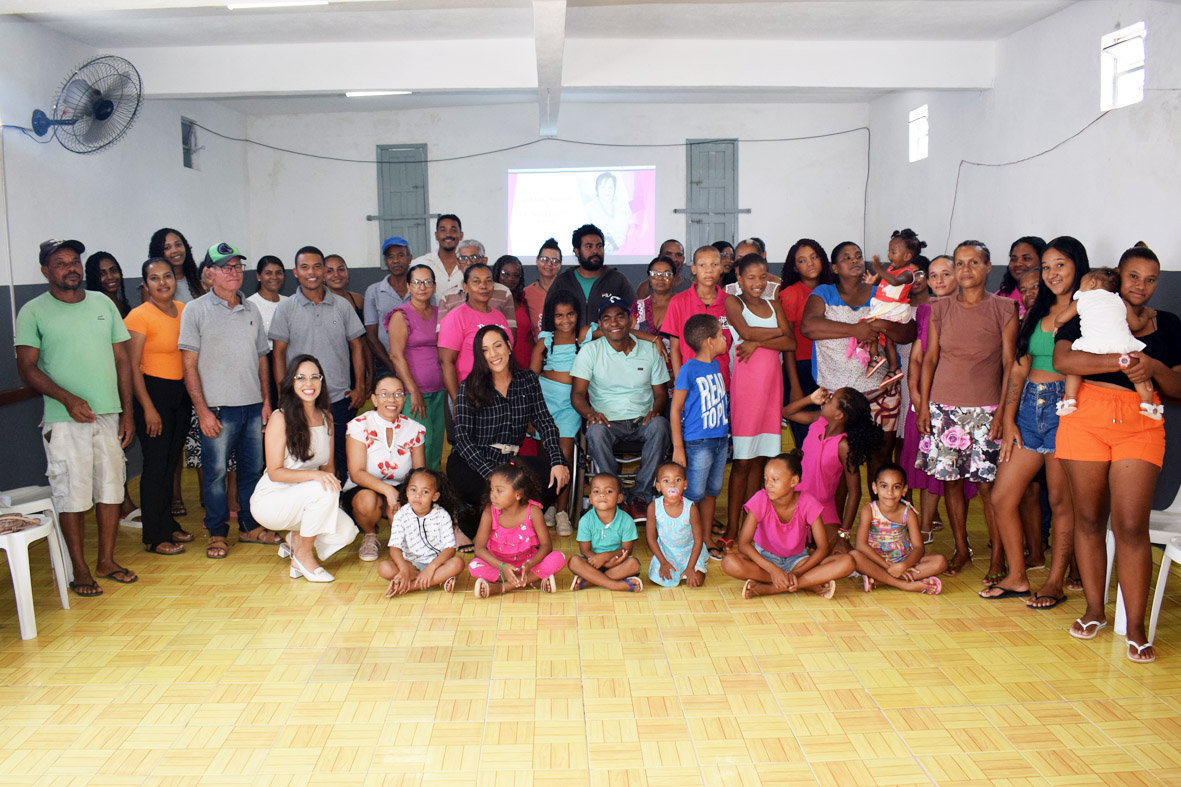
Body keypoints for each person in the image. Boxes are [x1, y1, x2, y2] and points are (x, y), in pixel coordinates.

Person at [1054, 243, 1180, 664]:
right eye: (1133, 276)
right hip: (1085, 414)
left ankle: (1137, 625)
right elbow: (1063, 359)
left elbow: (1177, 388)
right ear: (1117, 275)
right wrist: (1124, 359)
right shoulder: (1093, 306)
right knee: (1089, 518)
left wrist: (1155, 371)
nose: (1141, 286)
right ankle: (1094, 609)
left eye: (1150, 279)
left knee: (1130, 525)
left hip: (1140, 423)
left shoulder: (1170, 325)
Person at [16, 238, 137, 596]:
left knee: (111, 489)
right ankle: (80, 569)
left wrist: (127, 411)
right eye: (60, 262)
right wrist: (67, 399)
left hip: (108, 415)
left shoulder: (103, 304)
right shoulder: (33, 311)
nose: (71, 267)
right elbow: (26, 367)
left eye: (74, 261)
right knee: (73, 494)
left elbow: (122, 362)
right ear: (45, 271)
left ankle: (107, 560)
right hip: (64, 418)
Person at [981, 237, 1087, 605]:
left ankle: (1055, 581)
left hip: (1066, 413)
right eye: (1047, 267)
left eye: (1060, 265)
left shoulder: (1088, 310)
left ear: (1078, 266)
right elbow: (1018, 370)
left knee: (1061, 503)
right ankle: (1017, 576)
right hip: (1027, 412)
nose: (1052, 273)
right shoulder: (1034, 313)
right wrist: (1008, 419)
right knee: (1002, 496)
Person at [916, 240, 1018, 577]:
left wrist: (1003, 412)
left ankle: (997, 556)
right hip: (945, 409)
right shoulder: (940, 309)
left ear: (989, 267)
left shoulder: (1004, 309)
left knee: (990, 487)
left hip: (987, 410)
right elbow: (930, 359)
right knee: (951, 483)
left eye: (974, 263)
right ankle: (962, 549)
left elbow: (1008, 364)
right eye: (960, 263)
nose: (966, 270)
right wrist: (924, 406)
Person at [179, 241, 280, 559]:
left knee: (253, 470)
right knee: (216, 475)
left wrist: (266, 401)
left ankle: (250, 526)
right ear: (208, 273)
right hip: (217, 409)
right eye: (226, 267)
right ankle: (217, 533)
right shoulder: (195, 310)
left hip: (252, 406)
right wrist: (202, 411)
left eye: (237, 266)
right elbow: (188, 365)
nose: (234, 272)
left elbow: (262, 358)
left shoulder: (250, 308)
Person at [801, 241, 915, 482]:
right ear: (834, 268)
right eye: (846, 257)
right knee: (837, 463)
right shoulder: (824, 293)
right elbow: (809, 326)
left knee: (881, 459)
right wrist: (855, 330)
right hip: (838, 400)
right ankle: (836, 520)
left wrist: (883, 325)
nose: (855, 260)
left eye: (858, 256)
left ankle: (878, 517)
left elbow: (909, 333)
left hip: (881, 394)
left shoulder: (880, 291)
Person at [449, 325, 570, 536]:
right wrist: (492, 474)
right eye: (485, 350)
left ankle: (509, 519)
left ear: (509, 347)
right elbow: (462, 439)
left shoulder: (527, 381)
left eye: (497, 346)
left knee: (556, 470)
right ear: (480, 356)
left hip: (509, 462)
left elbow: (545, 421)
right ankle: (470, 517)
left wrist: (558, 459)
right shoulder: (469, 386)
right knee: (491, 505)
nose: (493, 354)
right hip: (472, 464)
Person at [251, 355, 359, 582]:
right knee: (323, 488)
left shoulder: (326, 418)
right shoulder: (280, 418)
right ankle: (302, 555)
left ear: (322, 381)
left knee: (347, 532)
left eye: (314, 377)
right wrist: (315, 476)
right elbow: (274, 471)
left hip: (309, 495)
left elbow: (329, 468)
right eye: (300, 378)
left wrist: (327, 490)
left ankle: (295, 540)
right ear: (291, 382)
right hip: (273, 499)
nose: (308, 384)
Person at [898, 256, 979, 542]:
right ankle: (924, 528)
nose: (939, 281)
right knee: (925, 464)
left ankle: (960, 535)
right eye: (933, 276)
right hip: (926, 400)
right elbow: (918, 357)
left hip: (961, 399)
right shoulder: (925, 311)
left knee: (959, 467)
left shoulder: (975, 310)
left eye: (946, 273)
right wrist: (916, 393)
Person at [269, 246, 367, 482]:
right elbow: (278, 354)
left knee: (343, 457)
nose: (311, 272)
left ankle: (345, 508)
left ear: (323, 271)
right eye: (304, 267)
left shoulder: (342, 305)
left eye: (316, 266)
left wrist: (360, 387)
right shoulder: (285, 308)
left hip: (339, 398)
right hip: (301, 401)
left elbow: (357, 347)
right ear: (295, 272)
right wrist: (284, 393)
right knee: (305, 457)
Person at [570, 296, 670, 520]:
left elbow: (661, 393)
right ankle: (619, 495)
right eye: (607, 319)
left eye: (619, 317)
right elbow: (576, 395)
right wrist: (590, 414)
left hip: (642, 420)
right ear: (600, 324)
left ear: (631, 320)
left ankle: (640, 498)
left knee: (660, 426)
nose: (613, 323)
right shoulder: (590, 351)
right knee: (594, 430)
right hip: (607, 422)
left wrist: (657, 409)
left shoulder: (649, 350)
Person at [724, 255, 795, 548]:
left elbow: (791, 343)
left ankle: (749, 527)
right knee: (742, 460)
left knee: (762, 461)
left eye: (763, 277)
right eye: (750, 277)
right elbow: (747, 332)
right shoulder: (733, 303)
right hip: (747, 389)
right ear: (738, 279)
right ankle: (731, 528)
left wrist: (759, 341)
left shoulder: (774, 305)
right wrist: (774, 333)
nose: (757, 283)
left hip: (771, 389)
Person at [124, 257, 194, 554]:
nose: (163, 282)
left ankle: (168, 524)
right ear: (145, 284)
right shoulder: (138, 317)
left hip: (181, 393)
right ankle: (155, 536)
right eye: (155, 278)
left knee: (170, 464)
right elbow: (132, 367)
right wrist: (148, 407)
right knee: (155, 466)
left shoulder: (184, 311)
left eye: (167, 276)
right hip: (152, 394)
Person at [720, 451, 853, 599]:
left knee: (847, 562)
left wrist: (796, 573)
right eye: (766, 479)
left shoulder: (808, 502)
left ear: (793, 481)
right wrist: (773, 570)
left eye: (775, 480)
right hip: (764, 559)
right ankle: (808, 583)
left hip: (798, 561)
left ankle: (770, 588)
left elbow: (822, 548)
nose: (768, 484)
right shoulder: (760, 499)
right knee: (729, 562)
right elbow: (744, 544)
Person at [783, 387, 884, 550]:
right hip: (796, 503)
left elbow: (855, 492)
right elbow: (787, 413)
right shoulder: (819, 422)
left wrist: (843, 533)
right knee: (786, 546)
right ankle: (806, 544)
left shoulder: (843, 446)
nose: (826, 399)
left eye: (831, 400)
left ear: (839, 415)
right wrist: (810, 399)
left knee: (843, 555)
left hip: (823, 510)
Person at [1054, 268, 1159, 419]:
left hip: (1091, 345)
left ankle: (1070, 400)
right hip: (1122, 345)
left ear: (1092, 283)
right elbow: (1136, 325)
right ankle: (1148, 404)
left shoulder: (1082, 299)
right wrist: (1146, 314)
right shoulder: (1120, 301)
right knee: (1139, 372)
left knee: (1074, 369)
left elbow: (1061, 318)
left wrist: (1057, 325)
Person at [342, 373, 426, 561]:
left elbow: (419, 474)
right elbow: (356, 473)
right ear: (374, 399)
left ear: (404, 399)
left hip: (400, 486)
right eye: (384, 394)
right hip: (362, 487)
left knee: (402, 510)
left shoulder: (415, 429)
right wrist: (388, 491)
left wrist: (410, 499)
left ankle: (402, 541)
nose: (392, 399)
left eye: (398, 394)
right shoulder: (359, 425)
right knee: (367, 502)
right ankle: (370, 534)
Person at [530, 292, 594, 535]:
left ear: (577, 315)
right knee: (544, 457)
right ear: (551, 318)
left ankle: (562, 510)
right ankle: (546, 506)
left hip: (571, 403)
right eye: (559, 316)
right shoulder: (546, 342)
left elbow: (615, 330)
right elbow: (530, 381)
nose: (565, 320)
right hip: (544, 402)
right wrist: (529, 415)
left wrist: (651, 340)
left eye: (570, 314)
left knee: (564, 453)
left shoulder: (584, 335)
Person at [670, 314, 730, 559]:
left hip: (720, 439)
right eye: (720, 334)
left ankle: (705, 537)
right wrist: (678, 447)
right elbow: (676, 408)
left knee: (711, 491)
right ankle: (687, 542)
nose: (725, 338)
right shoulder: (688, 369)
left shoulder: (715, 366)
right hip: (698, 442)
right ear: (708, 341)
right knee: (693, 494)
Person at [469, 464, 566, 597]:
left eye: (499, 491)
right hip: (500, 565)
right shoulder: (489, 513)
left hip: (528, 564)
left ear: (518, 494)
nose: (493, 495)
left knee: (559, 557)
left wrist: (530, 563)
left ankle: (503, 587)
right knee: (474, 566)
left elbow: (546, 546)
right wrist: (502, 566)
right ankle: (533, 580)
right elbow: (479, 549)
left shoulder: (533, 511)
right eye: (492, 489)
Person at [850, 463, 947, 593]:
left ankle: (880, 580)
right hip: (876, 560)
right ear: (875, 487)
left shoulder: (908, 513)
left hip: (902, 558)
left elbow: (918, 548)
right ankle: (904, 584)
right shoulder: (869, 510)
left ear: (904, 490)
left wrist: (904, 565)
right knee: (854, 556)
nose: (890, 492)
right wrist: (888, 566)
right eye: (884, 486)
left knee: (941, 562)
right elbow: (861, 545)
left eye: (896, 487)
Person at [385, 264, 444, 471]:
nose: (423, 287)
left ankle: (436, 493)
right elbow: (395, 356)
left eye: (428, 282)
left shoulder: (440, 313)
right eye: (417, 282)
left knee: (436, 445)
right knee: (421, 446)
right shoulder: (401, 315)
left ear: (435, 287)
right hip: (414, 392)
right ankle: (416, 494)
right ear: (409, 287)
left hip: (439, 391)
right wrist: (414, 391)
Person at [779, 239, 834, 448]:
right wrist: (794, 386)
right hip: (801, 370)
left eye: (814, 257)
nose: (810, 263)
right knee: (807, 442)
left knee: (830, 438)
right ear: (795, 267)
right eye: (802, 261)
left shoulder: (833, 291)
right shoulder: (790, 294)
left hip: (831, 369)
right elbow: (788, 345)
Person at [852, 229, 925, 385]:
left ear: (907, 256)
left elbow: (895, 282)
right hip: (886, 307)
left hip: (894, 309)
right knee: (889, 341)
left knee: (869, 325)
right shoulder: (891, 269)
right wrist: (875, 281)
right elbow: (887, 284)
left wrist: (878, 270)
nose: (890, 255)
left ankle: (875, 357)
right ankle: (893, 369)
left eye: (893, 252)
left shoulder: (908, 273)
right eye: (889, 251)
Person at [377, 468, 464, 596]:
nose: (418, 495)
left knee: (457, 563)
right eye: (413, 490)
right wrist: (403, 569)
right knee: (384, 568)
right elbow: (395, 547)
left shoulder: (442, 515)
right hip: (411, 565)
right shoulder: (401, 515)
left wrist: (431, 568)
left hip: (438, 564)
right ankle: (437, 580)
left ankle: (409, 586)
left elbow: (450, 549)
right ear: (407, 491)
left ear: (435, 496)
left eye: (425, 492)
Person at [438, 263, 512, 408]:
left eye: (488, 281)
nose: (483, 286)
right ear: (465, 287)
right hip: (471, 397)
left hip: (502, 395)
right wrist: (456, 401)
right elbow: (446, 362)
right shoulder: (456, 317)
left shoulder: (499, 316)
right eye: (476, 281)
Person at [666, 246, 733, 390]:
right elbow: (675, 347)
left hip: (721, 382)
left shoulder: (730, 303)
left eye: (714, 265)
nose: (708, 270)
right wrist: (680, 383)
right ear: (694, 269)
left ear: (721, 268)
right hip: (690, 383)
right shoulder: (678, 302)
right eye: (702, 265)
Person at [543, 224, 635, 326]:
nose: (595, 251)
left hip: (610, 342)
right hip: (571, 342)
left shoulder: (618, 280)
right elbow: (547, 322)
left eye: (599, 246)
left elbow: (635, 318)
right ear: (577, 251)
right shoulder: (562, 282)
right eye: (589, 246)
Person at [568, 473, 643, 593]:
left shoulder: (626, 520)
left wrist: (606, 558)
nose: (602, 494)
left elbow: (626, 550)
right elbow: (585, 550)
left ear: (619, 498)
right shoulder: (586, 520)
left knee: (633, 564)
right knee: (574, 562)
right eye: (596, 491)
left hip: (616, 562)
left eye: (609, 491)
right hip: (592, 562)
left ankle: (588, 582)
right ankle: (614, 585)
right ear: (591, 498)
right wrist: (597, 559)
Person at [646, 462, 708, 588]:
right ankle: (667, 566)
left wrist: (691, 567)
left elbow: (698, 540)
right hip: (666, 551)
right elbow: (651, 538)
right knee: (658, 579)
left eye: (677, 480)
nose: (672, 485)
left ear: (685, 484)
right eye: (666, 481)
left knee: (697, 581)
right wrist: (663, 562)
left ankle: (695, 567)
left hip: (690, 551)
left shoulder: (691, 508)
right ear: (658, 486)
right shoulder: (654, 507)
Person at [437, 240, 517, 328]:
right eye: (463, 258)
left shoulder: (503, 292)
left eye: (474, 257)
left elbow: (511, 331)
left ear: (484, 260)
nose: (469, 263)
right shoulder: (447, 296)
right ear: (458, 264)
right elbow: (441, 334)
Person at [363, 236, 412, 370]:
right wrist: (391, 365)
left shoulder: (420, 289)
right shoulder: (374, 291)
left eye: (400, 255)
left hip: (417, 362)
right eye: (390, 257)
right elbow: (371, 336)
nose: (395, 261)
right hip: (385, 363)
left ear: (410, 258)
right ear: (386, 261)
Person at [247, 255, 288, 406]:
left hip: (289, 362)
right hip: (265, 365)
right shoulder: (251, 304)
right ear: (258, 276)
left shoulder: (288, 302)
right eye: (268, 272)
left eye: (278, 272)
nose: (274, 277)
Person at [631, 256, 677, 382]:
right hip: (643, 376)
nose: (660, 278)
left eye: (666, 274)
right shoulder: (639, 306)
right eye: (655, 274)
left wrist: (676, 375)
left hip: (675, 376)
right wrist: (654, 339)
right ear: (649, 278)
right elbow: (625, 331)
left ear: (674, 278)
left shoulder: (682, 305)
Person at [493, 254, 534, 370]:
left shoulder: (522, 300)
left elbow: (529, 336)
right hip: (501, 364)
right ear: (497, 273)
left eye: (516, 275)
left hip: (527, 363)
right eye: (506, 274)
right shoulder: (489, 301)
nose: (511, 278)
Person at [411, 214, 465, 300]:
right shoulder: (420, 263)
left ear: (461, 235)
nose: (448, 234)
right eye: (443, 230)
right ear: (436, 235)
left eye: (453, 230)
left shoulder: (469, 265)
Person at [149, 227, 205, 302]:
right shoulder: (153, 285)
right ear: (158, 252)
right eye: (167, 247)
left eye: (178, 245)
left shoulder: (199, 278)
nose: (175, 250)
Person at [996, 236, 1047, 317]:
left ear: (1043, 260)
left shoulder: (1052, 293)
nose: (1018, 264)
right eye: (1014, 259)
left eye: (1026, 258)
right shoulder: (1001, 296)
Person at [523, 238, 562, 335]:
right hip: (537, 348)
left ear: (560, 265)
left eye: (554, 261)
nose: (549, 264)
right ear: (537, 260)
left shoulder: (567, 290)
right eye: (544, 259)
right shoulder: (526, 294)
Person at [85, 251, 132, 318]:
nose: (110, 277)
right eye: (102, 273)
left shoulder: (121, 304)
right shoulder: (94, 309)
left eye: (113, 270)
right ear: (93, 278)